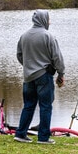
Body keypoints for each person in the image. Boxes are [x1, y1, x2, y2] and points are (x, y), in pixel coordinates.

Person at [15, 9, 65, 144]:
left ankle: (20, 134)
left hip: (28, 77)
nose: (49, 21)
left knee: (28, 105)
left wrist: (28, 66)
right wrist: (61, 73)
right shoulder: (48, 36)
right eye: (48, 19)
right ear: (43, 19)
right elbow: (57, 58)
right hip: (44, 76)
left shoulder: (24, 36)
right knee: (46, 106)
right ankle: (43, 137)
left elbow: (19, 55)